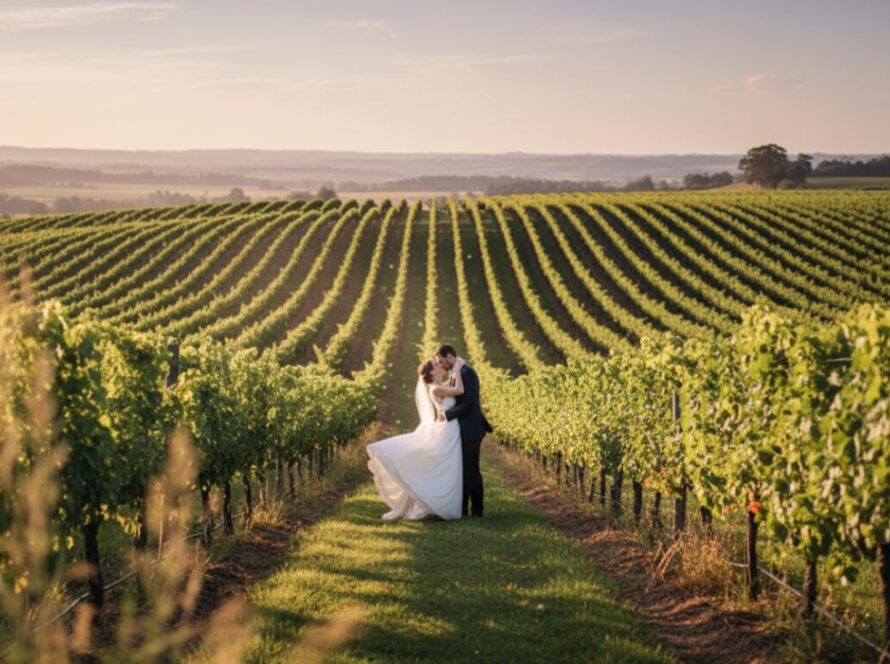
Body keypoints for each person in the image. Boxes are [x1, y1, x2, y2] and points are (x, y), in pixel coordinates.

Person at [366, 358, 465, 520]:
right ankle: (435, 504)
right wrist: (458, 369)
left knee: (447, 466)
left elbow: (452, 385)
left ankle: (440, 504)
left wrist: (454, 373)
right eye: (437, 365)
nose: (441, 365)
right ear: (432, 372)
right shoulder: (435, 389)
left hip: (450, 429)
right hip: (446, 430)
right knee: (441, 465)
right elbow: (459, 389)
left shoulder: (441, 386)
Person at [434, 344, 492, 518]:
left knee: (471, 470)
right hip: (461, 429)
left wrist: (447, 415)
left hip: (471, 429)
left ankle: (477, 511)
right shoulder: (457, 372)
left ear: (450, 357)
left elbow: (470, 403)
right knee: (462, 470)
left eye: (441, 361)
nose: (441, 365)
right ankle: (462, 509)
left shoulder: (467, 372)